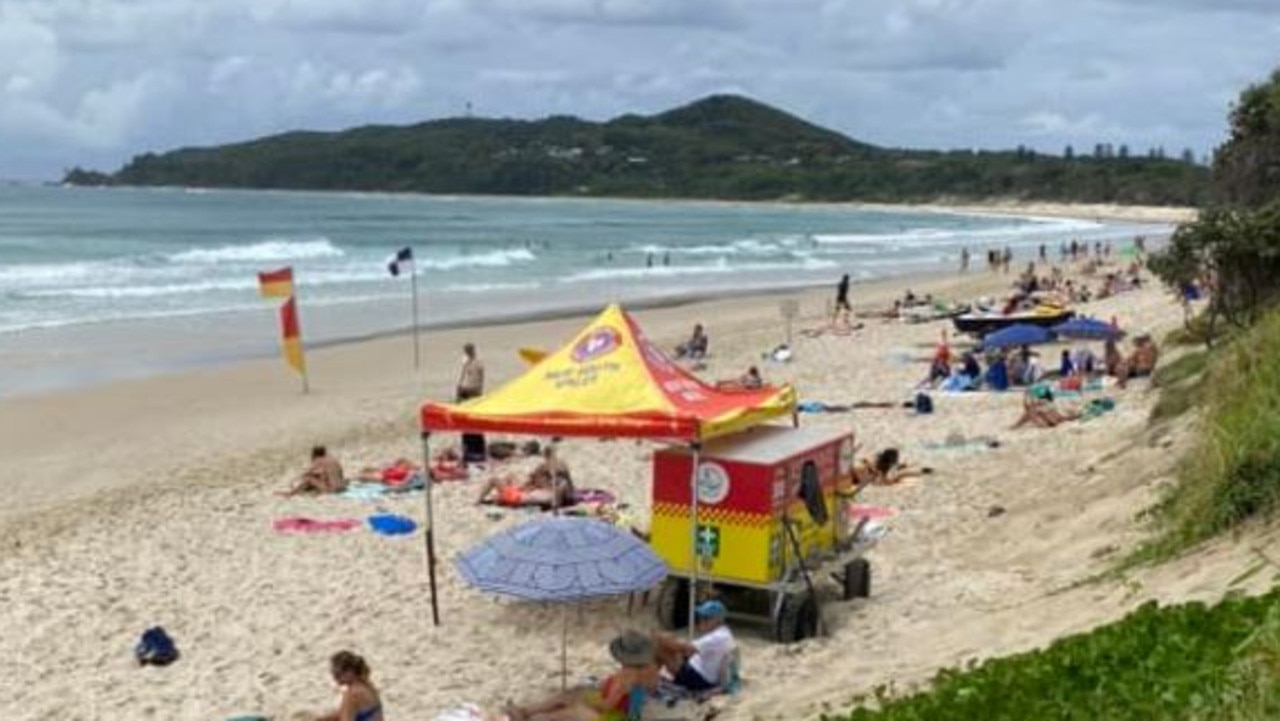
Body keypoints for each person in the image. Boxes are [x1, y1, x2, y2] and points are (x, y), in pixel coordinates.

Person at [508, 631, 659, 721]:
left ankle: (534, 717)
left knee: (573, 708)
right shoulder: (647, 669)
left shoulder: (627, 678)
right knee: (571, 694)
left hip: (615, 717)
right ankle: (526, 711)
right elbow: (647, 691)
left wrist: (585, 701)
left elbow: (606, 706)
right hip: (620, 712)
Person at [653, 600, 737, 693]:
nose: (701, 620)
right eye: (701, 617)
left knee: (660, 647)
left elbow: (686, 647)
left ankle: (649, 680)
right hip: (704, 673)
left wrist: (664, 639)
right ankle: (650, 677)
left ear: (717, 620)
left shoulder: (716, 637)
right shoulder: (724, 633)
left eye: (706, 618)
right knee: (667, 641)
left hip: (698, 679)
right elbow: (689, 650)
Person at [475, 445, 574, 507]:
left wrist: (526, 487)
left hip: (519, 496)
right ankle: (500, 495)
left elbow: (532, 481)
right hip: (530, 493)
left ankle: (478, 502)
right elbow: (568, 485)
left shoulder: (544, 470)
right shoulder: (561, 474)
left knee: (493, 480)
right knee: (511, 476)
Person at [316, 651, 383, 721]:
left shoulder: (351, 695)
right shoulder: (368, 686)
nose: (335, 680)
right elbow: (346, 712)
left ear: (349, 671)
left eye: (337, 675)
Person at [1011, 388, 1081, 430]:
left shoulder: (1042, 404)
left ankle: (1015, 426)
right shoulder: (1048, 404)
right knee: (1030, 412)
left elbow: (1027, 407)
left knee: (1030, 412)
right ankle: (1015, 426)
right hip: (1051, 421)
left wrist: (1026, 396)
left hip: (1048, 423)